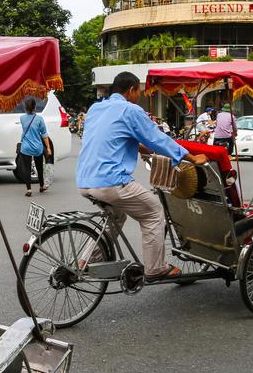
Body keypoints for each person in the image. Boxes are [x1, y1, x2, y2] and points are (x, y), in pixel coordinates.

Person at [76, 72, 207, 280]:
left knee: (117, 216)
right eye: (138, 91)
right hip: (111, 181)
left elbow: (108, 139)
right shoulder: (130, 109)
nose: (139, 95)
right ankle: (156, 268)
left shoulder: (96, 108)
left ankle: (85, 261)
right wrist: (190, 157)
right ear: (131, 90)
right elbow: (158, 139)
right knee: (154, 212)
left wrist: (137, 147)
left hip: (85, 180)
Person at [19, 97, 51, 196]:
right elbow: (44, 135)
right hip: (37, 147)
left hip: (25, 147)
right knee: (39, 167)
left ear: (25, 107)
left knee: (26, 169)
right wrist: (48, 148)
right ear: (35, 107)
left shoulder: (22, 118)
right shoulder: (39, 119)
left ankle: (29, 189)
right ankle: (41, 186)